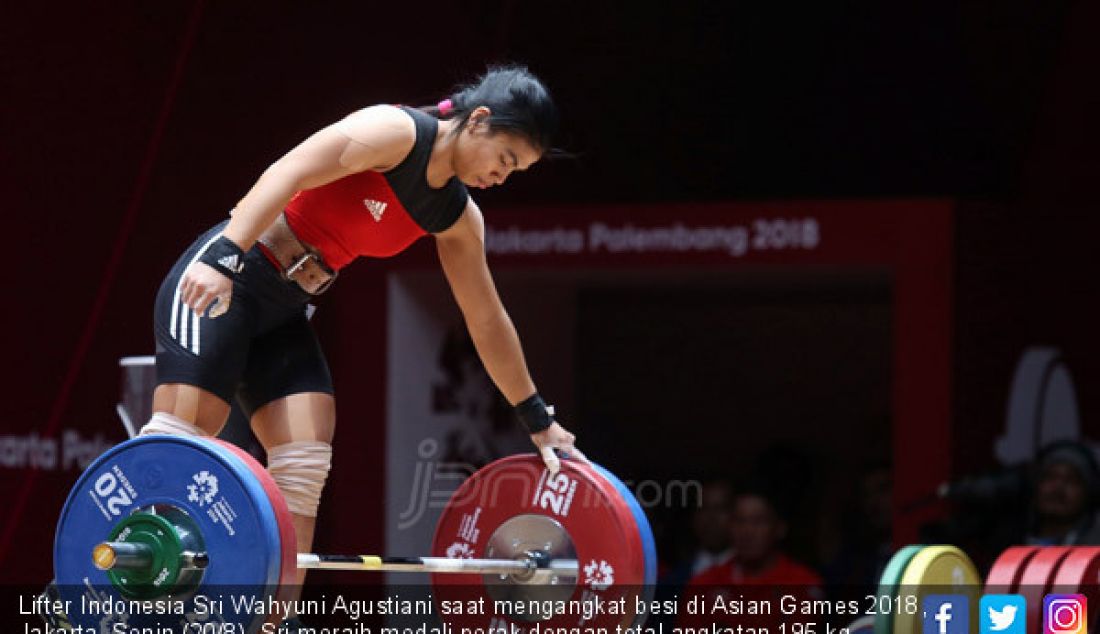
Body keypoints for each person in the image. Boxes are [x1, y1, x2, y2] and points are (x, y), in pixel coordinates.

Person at [143, 65, 585, 629]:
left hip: (284, 312)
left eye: (515, 171)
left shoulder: (455, 216)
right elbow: (291, 168)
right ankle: (125, 592)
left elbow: (487, 320)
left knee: (305, 456)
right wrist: (227, 253)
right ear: (479, 122)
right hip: (234, 276)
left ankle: (268, 621)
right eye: (506, 158)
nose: (503, 176)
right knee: (182, 442)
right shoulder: (393, 132)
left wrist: (537, 418)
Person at [677, 486, 823, 631]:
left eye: (758, 521)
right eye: (740, 521)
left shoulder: (802, 585)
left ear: (780, 527)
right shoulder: (704, 584)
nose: (747, 531)